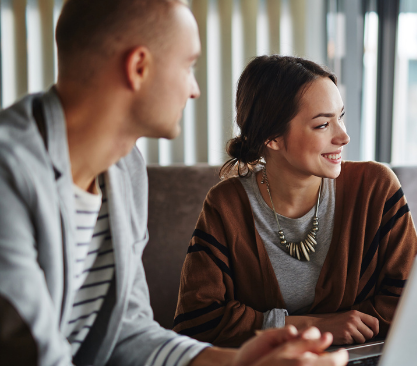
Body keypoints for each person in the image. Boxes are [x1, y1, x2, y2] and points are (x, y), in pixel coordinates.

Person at [0, 0, 347, 365]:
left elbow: (128, 331)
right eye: (188, 66)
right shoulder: (10, 174)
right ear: (138, 67)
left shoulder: (124, 169)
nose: (194, 89)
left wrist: (240, 362)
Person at [173, 55, 417, 347]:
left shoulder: (375, 189)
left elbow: (412, 304)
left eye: (339, 117)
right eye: (322, 125)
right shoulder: (226, 205)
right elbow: (197, 320)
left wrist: (265, 325)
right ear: (272, 138)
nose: (344, 136)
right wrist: (313, 327)